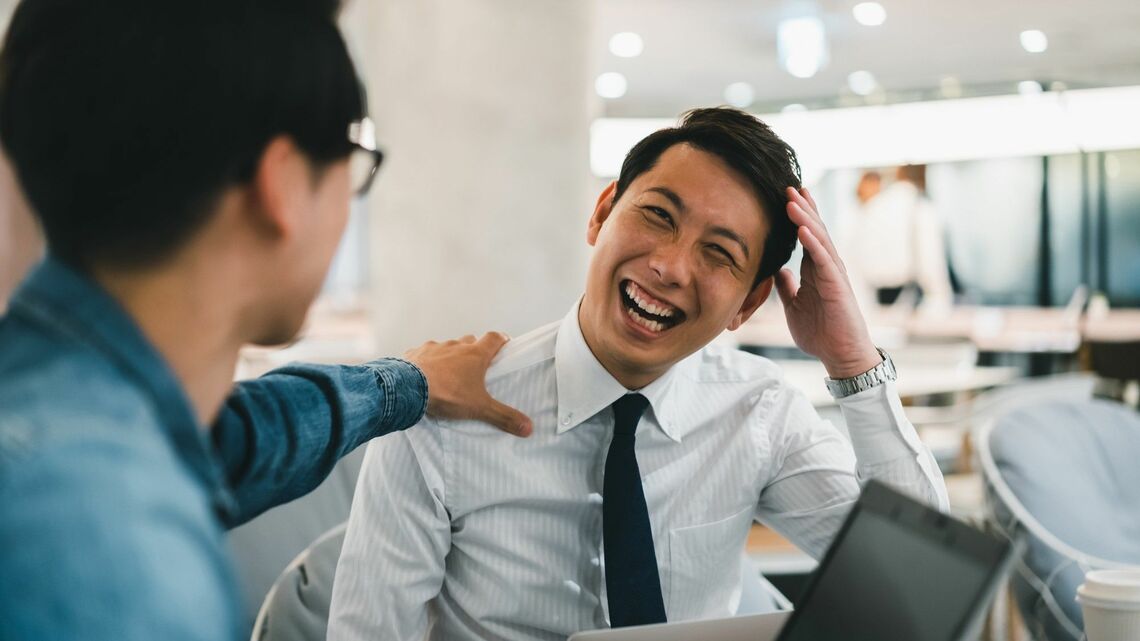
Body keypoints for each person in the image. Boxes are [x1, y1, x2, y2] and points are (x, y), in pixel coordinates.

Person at [0, 1, 530, 639]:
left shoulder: (68, 401)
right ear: (280, 184)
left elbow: (229, 444)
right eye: (355, 164)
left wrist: (408, 382)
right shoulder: (114, 556)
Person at [328, 108, 949, 640]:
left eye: (719, 253)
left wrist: (853, 361)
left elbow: (921, 588)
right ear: (602, 213)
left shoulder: (759, 414)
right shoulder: (447, 409)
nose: (671, 267)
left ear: (748, 305)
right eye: (658, 216)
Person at [847, 164, 954, 310]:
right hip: (910, 300)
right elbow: (931, 261)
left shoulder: (873, 207)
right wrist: (941, 298)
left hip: (874, 301)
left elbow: (856, 260)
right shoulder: (921, 208)